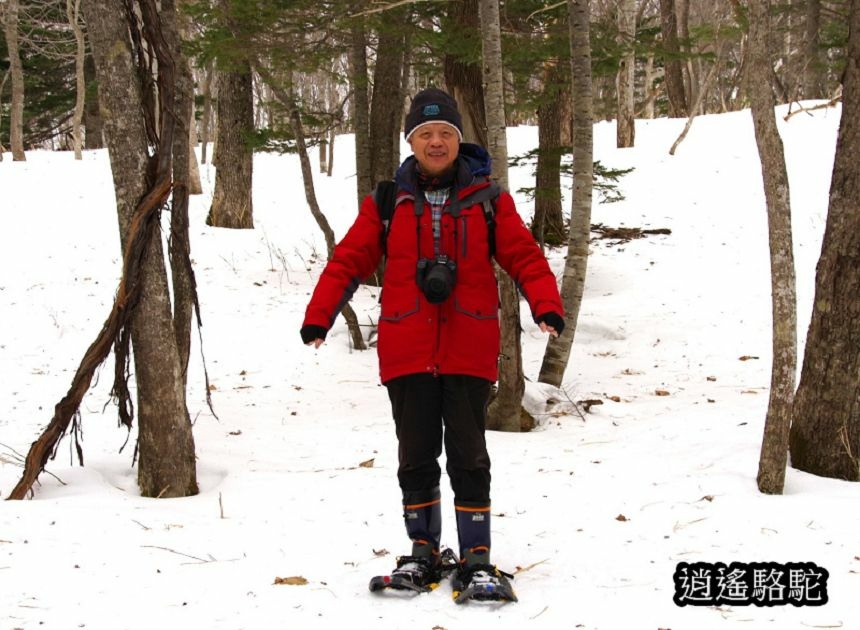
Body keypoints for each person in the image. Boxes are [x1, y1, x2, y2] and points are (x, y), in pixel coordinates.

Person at [301, 87, 564, 602]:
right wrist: (319, 316)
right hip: (406, 348)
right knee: (415, 454)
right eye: (426, 134)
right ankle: (423, 551)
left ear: (458, 141)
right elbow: (348, 261)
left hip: (468, 346)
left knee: (470, 454)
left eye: (446, 133)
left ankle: (477, 558)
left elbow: (524, 256)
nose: (437, 142)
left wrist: (545, 304)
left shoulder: (489, 199)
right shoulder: (385, 201)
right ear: (412, 142)